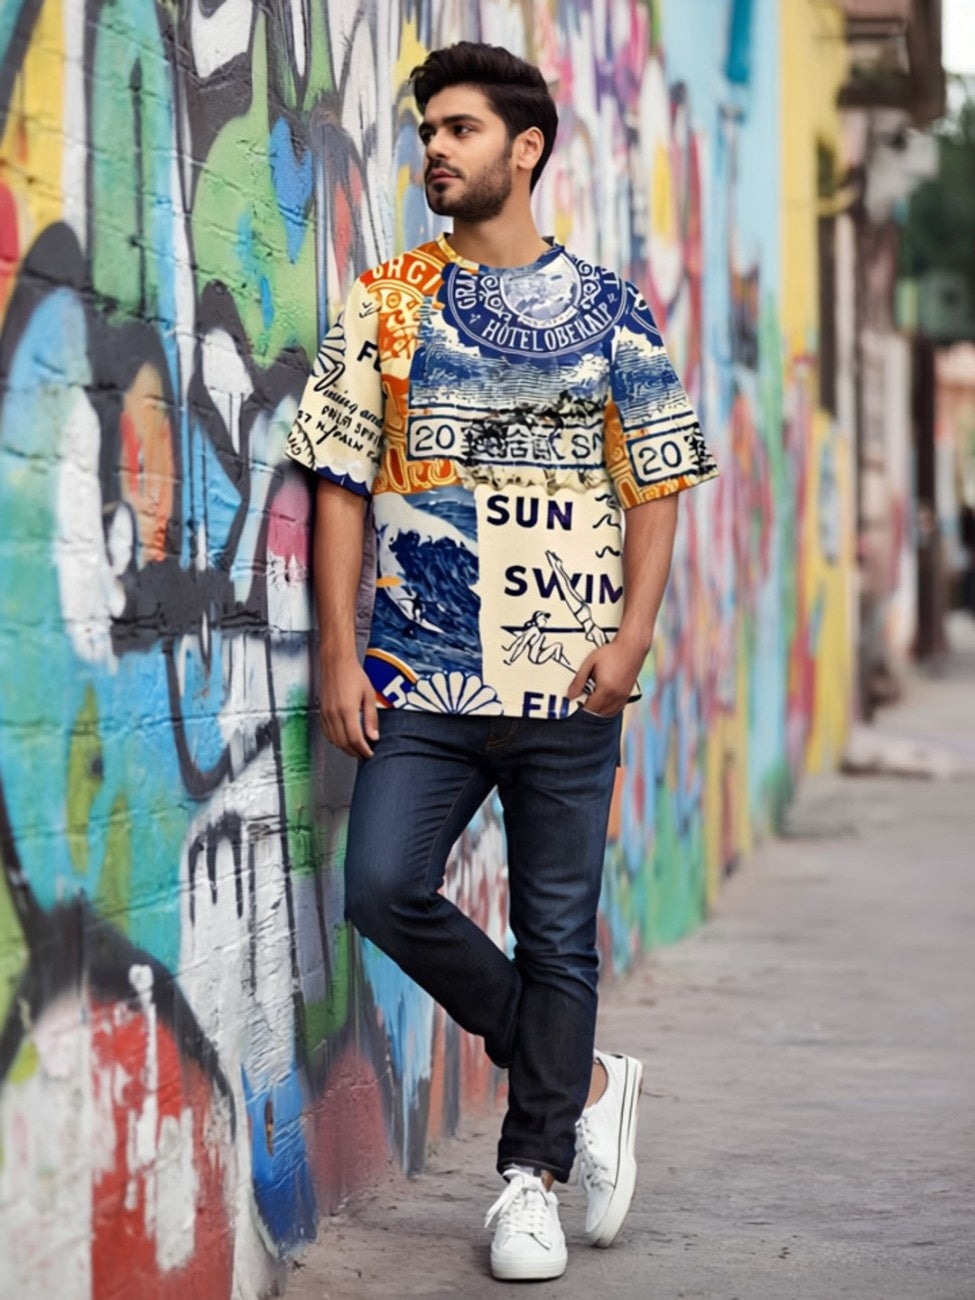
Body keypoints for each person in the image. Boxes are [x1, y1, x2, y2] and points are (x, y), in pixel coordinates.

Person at [287, 41, 718, 1282]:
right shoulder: (386, 299)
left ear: (524, 149)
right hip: (419, 677)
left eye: (461, 129)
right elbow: (340, 483)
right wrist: (339, 652)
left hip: (571, 683)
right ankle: (578, 1074)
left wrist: (631, 638)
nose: (436, 148)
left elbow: (658, 481)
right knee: (381, 886)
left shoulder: (613, 309)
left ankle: (528, 1177)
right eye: (429, 131)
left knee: (560, 935)